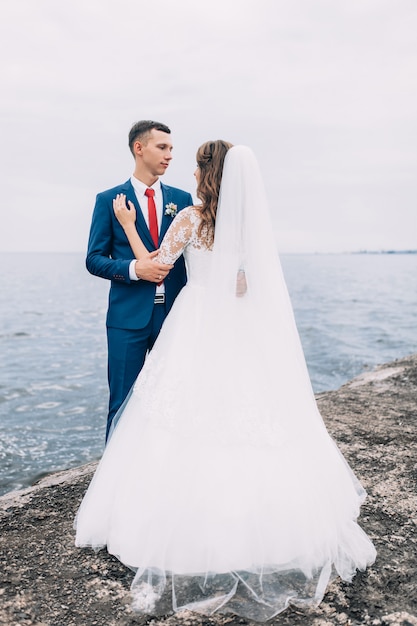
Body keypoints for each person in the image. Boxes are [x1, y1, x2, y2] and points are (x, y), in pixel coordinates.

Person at [75, 142, 376, 621]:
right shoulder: (245, 227)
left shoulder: (190, 219)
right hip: (235, 327)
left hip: (194, 321)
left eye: (194, 162)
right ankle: (265, 524)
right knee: (244, 408)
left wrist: (130, 227)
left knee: (177, 411)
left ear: (205, 174)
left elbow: (158, 265)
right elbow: (243, 283)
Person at [86, 120, 193, 440]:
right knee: (121, 401)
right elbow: (93, 259)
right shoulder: (109, 200)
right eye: (162, 147)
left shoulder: (182, 198)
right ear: (139, 148)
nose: (170, 155)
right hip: (126, 317)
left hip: (175, 314)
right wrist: (135, 269)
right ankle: (112, 483)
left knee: (173, 399)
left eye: (172, 148)